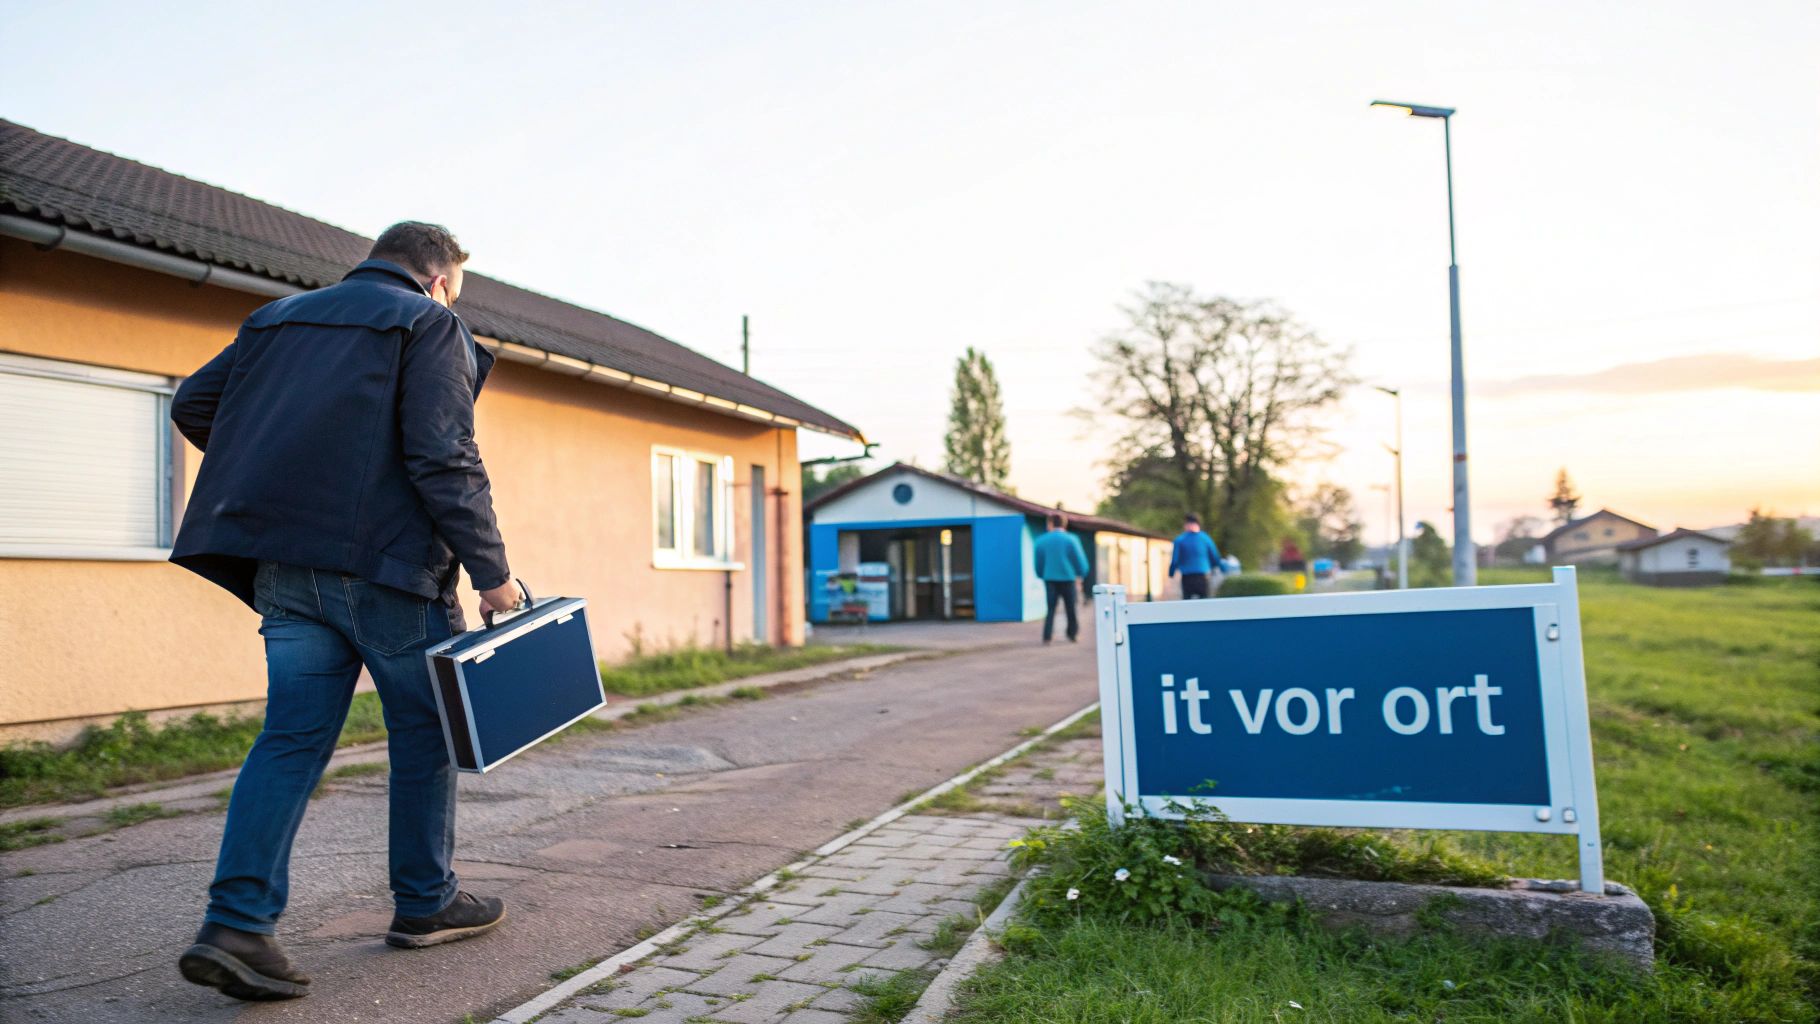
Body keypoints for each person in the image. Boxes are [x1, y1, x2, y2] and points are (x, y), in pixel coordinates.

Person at [168, 223, 522, 1001]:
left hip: (285, 569)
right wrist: (493, 574)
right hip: (387, 569)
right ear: (438, 281)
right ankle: (425, 901)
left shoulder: (275, 319)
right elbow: (444, 456)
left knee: (290, 739)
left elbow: (194, 405)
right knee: (425, 731)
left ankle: (236, 924)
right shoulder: (429, 323)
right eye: (453, 292)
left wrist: (279, 467)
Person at [1032, 512, 1089, 643]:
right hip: (1068, 579)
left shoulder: (1041, 541)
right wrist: (1081, 574)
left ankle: (1047, 636)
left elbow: (1038, 562)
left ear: (1050, 523)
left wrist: (1041, 574)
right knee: (1071, 608)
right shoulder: (1072, 539)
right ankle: (1072, 634)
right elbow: (1079, 560)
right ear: (1064, 524)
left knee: (1051, 608)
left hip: (1050, 579)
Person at [1169, 514, 1222, 599]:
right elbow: (1215, 557)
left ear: (1186, 524)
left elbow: (1175, 560)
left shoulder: (1180, 540)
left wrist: (1171, 573)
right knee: (1204, 602)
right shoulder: (1205, 539)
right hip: (1202, 576)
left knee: (1187, 603)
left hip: (1187, 577)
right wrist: (1217, 568)